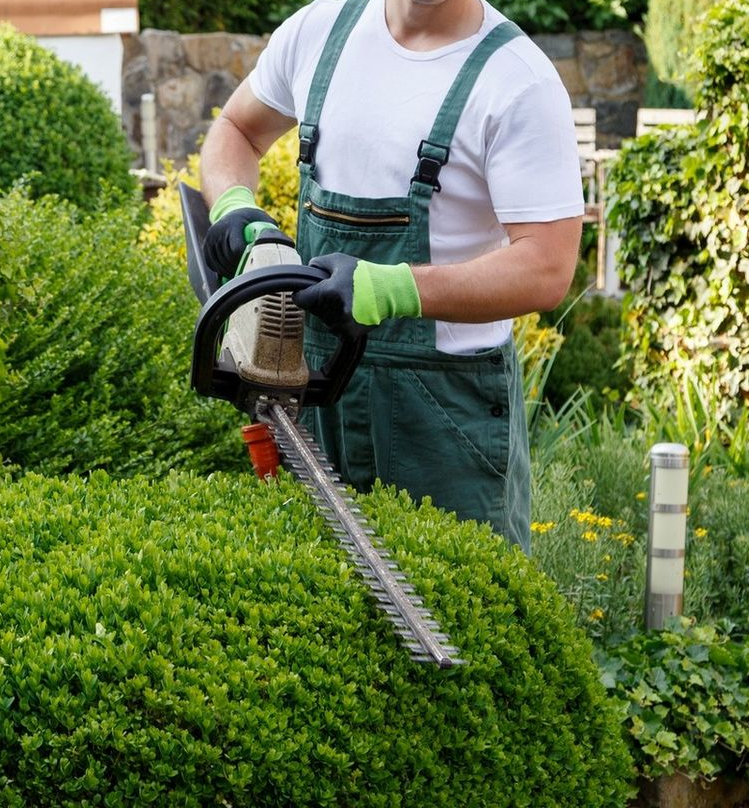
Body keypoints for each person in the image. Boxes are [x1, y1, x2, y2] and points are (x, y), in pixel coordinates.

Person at [199, 0, 583, 553]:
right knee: (314, 608)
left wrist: (392, 288)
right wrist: (235, 204)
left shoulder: (517, 82)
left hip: (443, 416)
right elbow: (237, 128)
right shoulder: (320, 31)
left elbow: (546, 267)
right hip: (312, 385)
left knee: (459, 620)